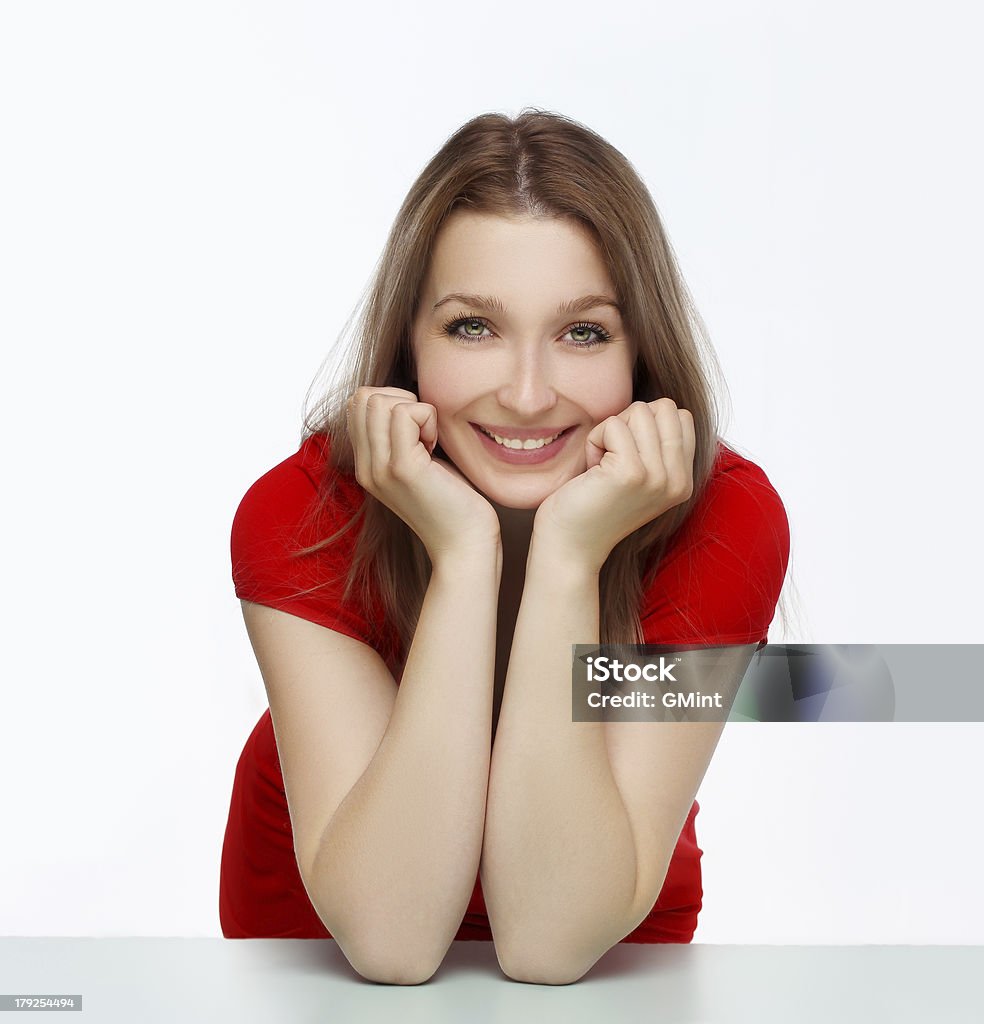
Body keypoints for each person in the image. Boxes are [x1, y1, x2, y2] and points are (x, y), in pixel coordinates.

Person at [219, 108, 790, 985]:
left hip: (601, 923)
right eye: (473, 327)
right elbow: (390, 941)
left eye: (584, 332)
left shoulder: (725, 519)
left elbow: (552, 941)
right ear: (410, 341)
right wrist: (463, 554)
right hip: (323, 942)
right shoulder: (300, 512)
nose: (527, 394)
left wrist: (567, 556)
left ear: (641, 353)